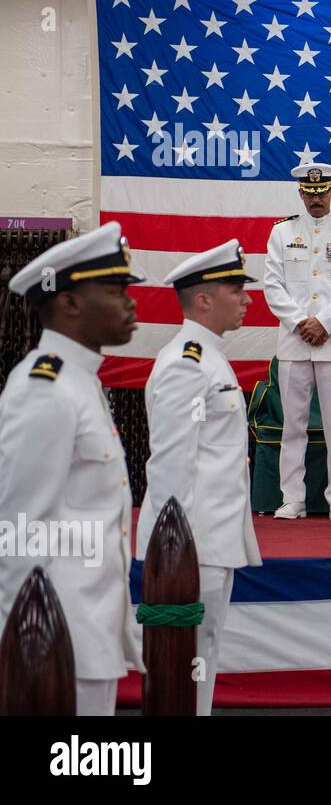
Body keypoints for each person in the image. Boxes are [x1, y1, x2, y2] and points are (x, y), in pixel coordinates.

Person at [0, 222, 145, 715]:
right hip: (53, 643)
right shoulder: (45, 389)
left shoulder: (81, 382)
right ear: (69, 303)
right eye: (115, 289)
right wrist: (22, 651)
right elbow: (17, 532)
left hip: (87, 631)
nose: (131, 302)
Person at [135, 239, 263, 715]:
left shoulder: (207, 355)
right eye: (237, 289)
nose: (248, 299)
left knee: (200, 658)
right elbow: (169, 468)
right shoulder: (186, 364)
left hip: (207, 542)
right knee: (183, 664)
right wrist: (174, 557)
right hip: (189, 547)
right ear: (204, 300)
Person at [262, 163, 331, 521]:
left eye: (322, 192)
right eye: (310, 193)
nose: (316, 198)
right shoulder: (281, 232)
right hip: (294, 342)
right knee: (292, 424)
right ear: (300, 194)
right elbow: (272, 285)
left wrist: (323, 322)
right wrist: (300, 323)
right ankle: (293, 497)